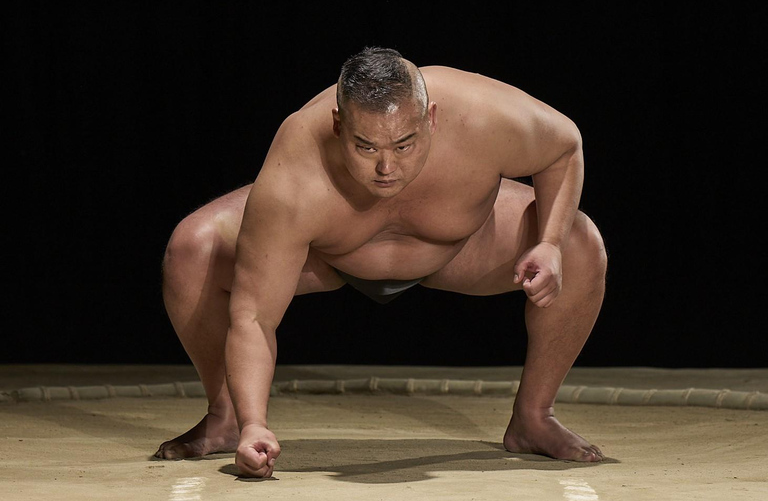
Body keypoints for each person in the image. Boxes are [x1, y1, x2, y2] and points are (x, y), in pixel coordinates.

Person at [155, 47, 607, 477]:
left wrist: (547, 242)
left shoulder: (483, 114)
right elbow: (254, 315)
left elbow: (565, 148)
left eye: (405, 145)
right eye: (366, 147)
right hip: (323, 257)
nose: (386, 168)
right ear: (338, 125)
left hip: (461, 246)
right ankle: (228, 417)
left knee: (579, 243)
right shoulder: (295, 167)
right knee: (192, 249)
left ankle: (534, 417)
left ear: (431, 118)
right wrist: (257, 422)